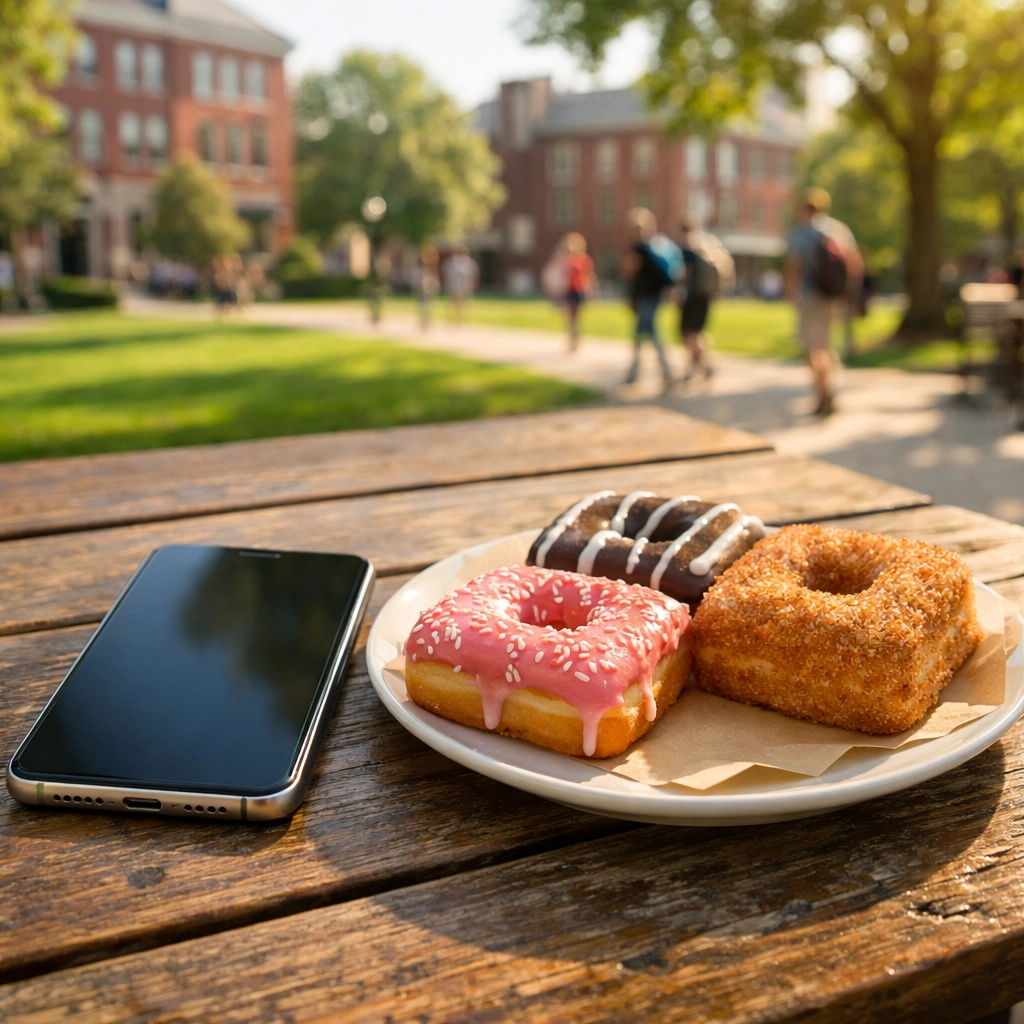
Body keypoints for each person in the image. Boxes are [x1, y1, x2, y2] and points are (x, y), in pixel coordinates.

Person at [784, 187, 860, 417]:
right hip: (834, 296)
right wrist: (849, 292)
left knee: (813, 348)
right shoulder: (839, 229)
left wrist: (789, 291)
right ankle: (830, 388)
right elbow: (855, 262)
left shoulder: (802, 232)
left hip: (811, 295)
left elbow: (794, 264)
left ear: (804, 208)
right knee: (826, 346)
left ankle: (822, 393)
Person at [620, 207, 674, 389]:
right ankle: (638, 372)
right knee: (645, 333)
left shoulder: (638, 249)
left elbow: (630, 271)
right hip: (654, 296)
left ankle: (661, 371)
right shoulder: (657, 246)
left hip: (645, 297)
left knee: (648, 334)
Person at [676, 220, 714, 383]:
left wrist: (676, 289)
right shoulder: (704, 245)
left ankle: (704, 365)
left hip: (692, 297)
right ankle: (698, 366)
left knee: (688, 333)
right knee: (696, 332)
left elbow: (685, 274)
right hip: (705, 296)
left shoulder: (687, 248)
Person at [443, 245, 478, 325]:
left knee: (464, 304)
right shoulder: (451, 262)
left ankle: (461, 320)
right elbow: (445, 274)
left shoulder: (468, 262)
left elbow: (473, 274)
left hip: (464, 286)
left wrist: (474, 284)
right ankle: (451, 319)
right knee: (452, 303)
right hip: (453, 286)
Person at [413, 245, 440, 331]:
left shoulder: (431, 270)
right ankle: (422, 321)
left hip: (429, 290)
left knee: (428, 306)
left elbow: (434, 282)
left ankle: (427, 321)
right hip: (421, 290)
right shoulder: (419, 270)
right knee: (421, 306)